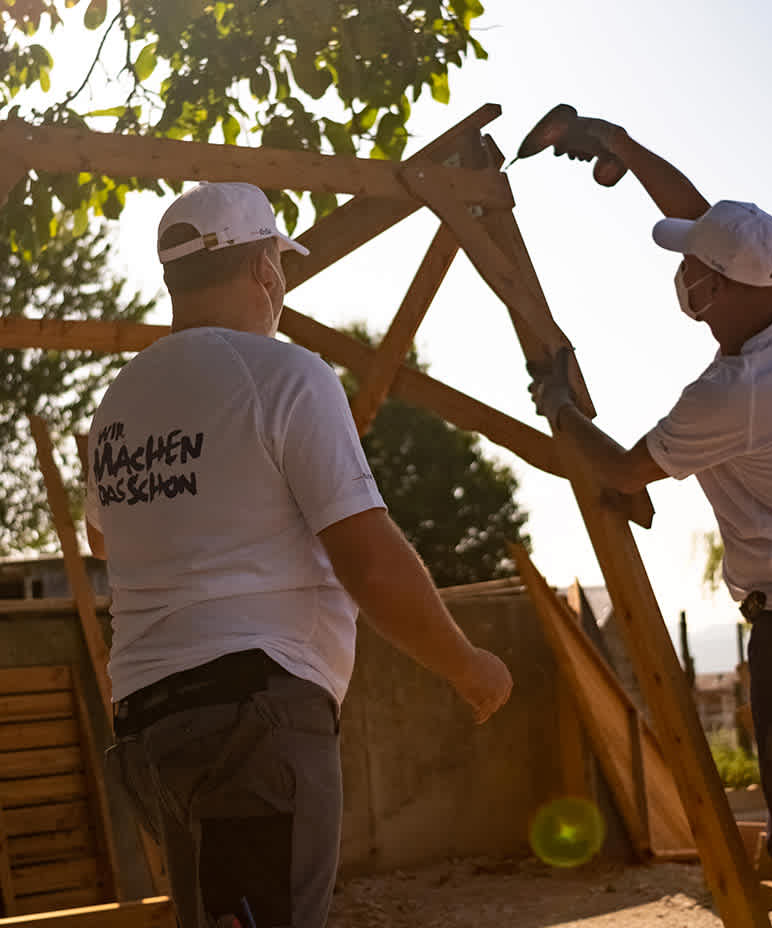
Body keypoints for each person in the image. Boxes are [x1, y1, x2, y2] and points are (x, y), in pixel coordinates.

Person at [84, 182, 514, 928]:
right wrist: (466, 663)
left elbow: (102, 538)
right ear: (266, 270)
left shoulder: (120, 401)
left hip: (151, 729)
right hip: (252, 723)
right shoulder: (286, 374)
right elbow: (368, 560)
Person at [526, 119, 772, 928]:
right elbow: (706, 218)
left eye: (696, 269)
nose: (685, 275)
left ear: (727, 287)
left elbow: (625, 469)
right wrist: (621, 147)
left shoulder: (733, 392)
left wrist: (559, 407)